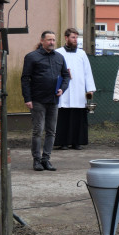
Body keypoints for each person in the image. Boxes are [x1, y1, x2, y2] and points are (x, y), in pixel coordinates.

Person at [21, 31, 70, 171]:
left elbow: (66, 76)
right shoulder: (31, 57)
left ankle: (46, 159)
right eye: (49, 40)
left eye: (54, 40)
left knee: (51, 131)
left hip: (53, 100)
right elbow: (25, 79)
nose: (52, 42)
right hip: (37, 100)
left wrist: (62, 89)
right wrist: (27, 98)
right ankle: (36, 160)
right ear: (42, 41)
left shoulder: (60, 57)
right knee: (38, 130)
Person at [55, 28, 97, 150]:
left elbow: (87, 72)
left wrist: (90, 89)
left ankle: (76, 142)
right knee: (64, 116)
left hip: (79, 90)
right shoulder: (58, 53)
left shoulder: (81, 53)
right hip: (64, 90)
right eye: (73, 37)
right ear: (66, 38)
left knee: (78, 117)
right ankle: (63, 142)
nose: (75, 40)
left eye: (76, 38)